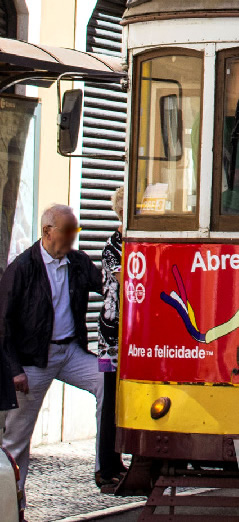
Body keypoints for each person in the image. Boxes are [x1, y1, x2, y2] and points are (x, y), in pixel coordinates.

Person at [0, 205, 104, 511]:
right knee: (17, 438)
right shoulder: (22, 268)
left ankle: (105, 467)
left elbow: (106, 288)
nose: (73, 238)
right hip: (32, 360)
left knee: (106, 380)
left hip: (70, 352)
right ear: (48, 232)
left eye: (76, 232)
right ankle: (12, 506)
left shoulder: (77, 261)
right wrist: (14, 369)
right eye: (68, 232)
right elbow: (2, 323)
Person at [97, 188, 128, 488]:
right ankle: (106, 465)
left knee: (121, 398)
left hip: (128, 334)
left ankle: (117, 459)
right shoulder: (113, 245)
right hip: (111, 338)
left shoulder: (130, 242)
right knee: (109, 397)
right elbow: (125, 278)